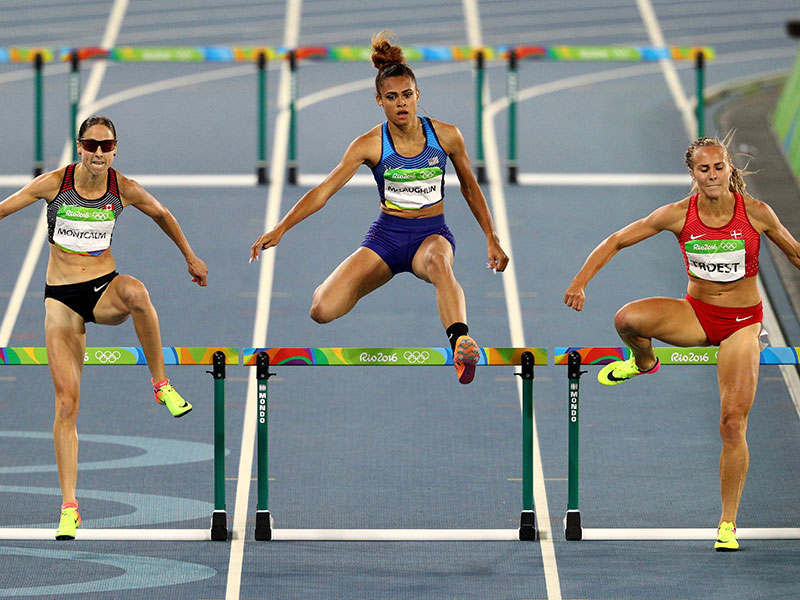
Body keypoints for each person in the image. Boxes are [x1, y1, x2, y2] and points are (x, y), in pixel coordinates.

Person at [563, 136, 800, 551]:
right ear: (692, 174)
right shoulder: (677, 215)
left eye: (719, 167)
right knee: (627, 320)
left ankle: (727, 524)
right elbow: (617, 239)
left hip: (743, 324)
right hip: (697, 314)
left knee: (731, 423)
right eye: (704, 169)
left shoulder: (756, 213)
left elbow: (796, 254)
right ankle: (643, 361)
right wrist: (580, 282)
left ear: (729, 168)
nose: (712, 175)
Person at [250, 31, 508, 384]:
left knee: (438, 262)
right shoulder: (369, 144)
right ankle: (360, 285)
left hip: (431, 235)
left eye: (406, 95)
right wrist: (281, 227)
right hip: (385, 238)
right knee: (322, 310)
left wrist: (492, 238)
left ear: (418, 95)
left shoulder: (447, 136)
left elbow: (470, 188)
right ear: (379, 100)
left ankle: (460, 340)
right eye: (391, 97)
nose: (401, 103)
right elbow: (324, 191)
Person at [0, 115, 208, 540]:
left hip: (103, 289)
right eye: (91, 145)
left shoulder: (122, 188)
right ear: (79, 146)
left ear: (115, 148)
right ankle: (70, 507)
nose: (99, 153)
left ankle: (160, 383)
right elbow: (3, 208)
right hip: (61, 300)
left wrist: (189, 256)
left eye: (106, 146)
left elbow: (162, 214)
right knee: (66, 404)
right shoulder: (53, 184)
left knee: (137, 293)